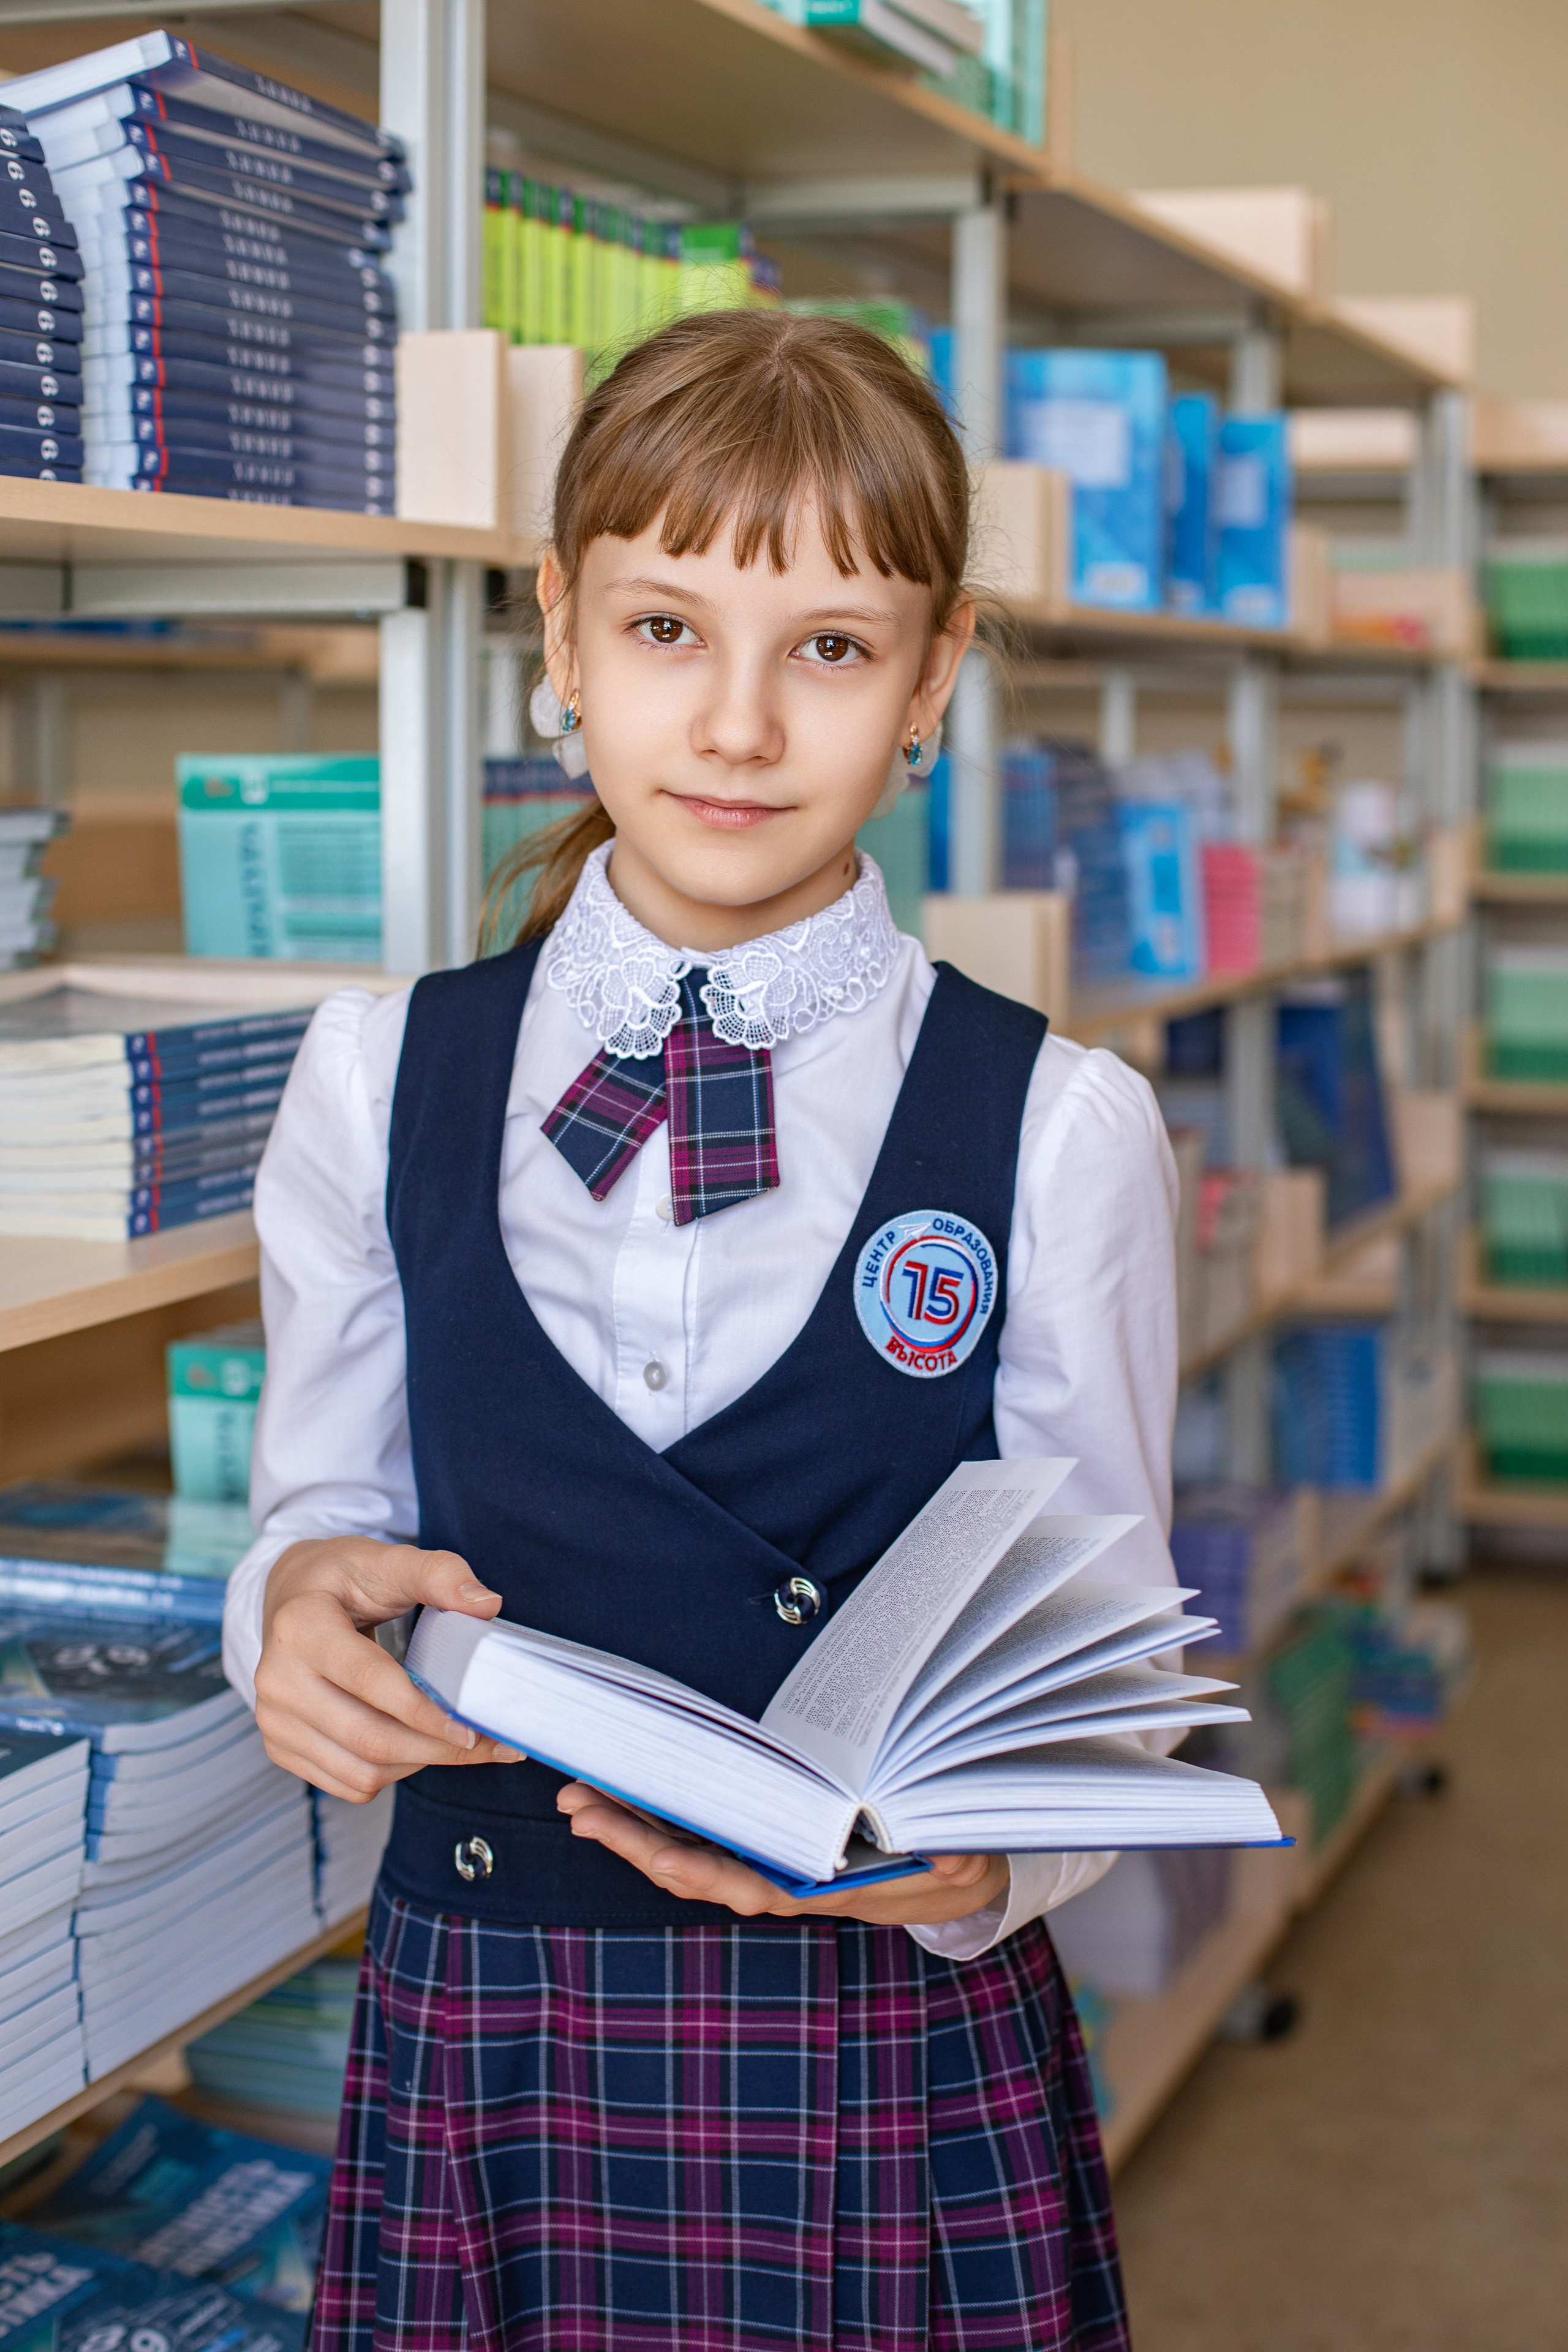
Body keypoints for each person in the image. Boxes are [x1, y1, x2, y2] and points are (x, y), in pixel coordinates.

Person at [222, 309, 1178, 2352]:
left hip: (883, 2033)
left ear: (934, 679)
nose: (737, 725)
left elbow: (1101, 1674)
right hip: (491, 1999)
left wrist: (986, 1865)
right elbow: (316, 1513)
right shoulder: (376, 1076)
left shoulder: (1059, 1126)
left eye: (829, 646)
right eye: (667, 629)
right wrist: (288, 1609)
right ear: (559, 634)